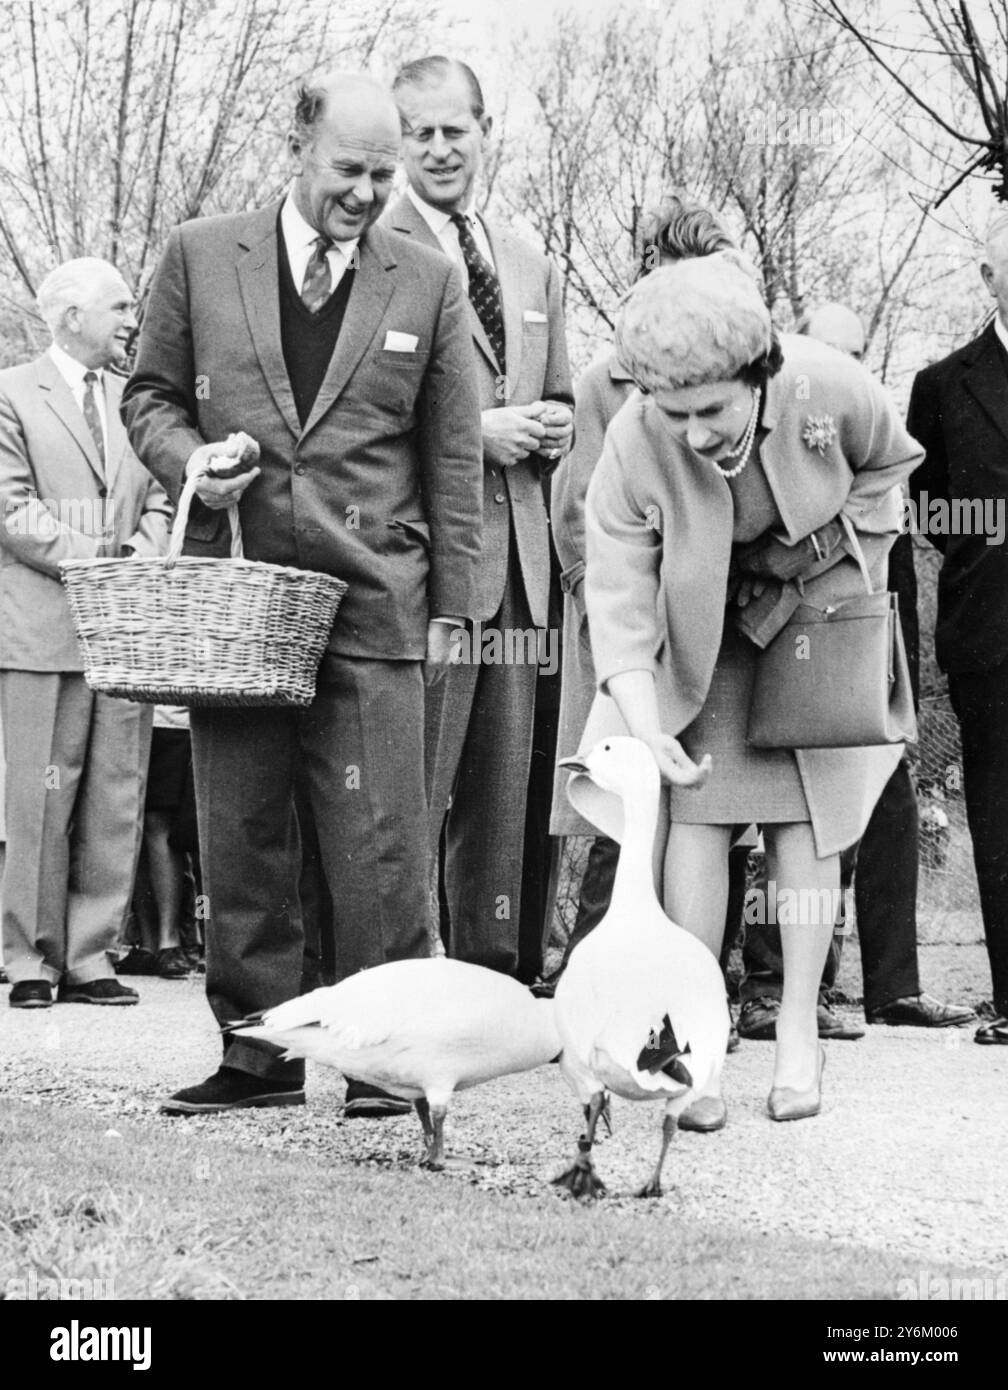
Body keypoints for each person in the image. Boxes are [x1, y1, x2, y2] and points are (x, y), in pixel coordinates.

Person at [123, 72, 484, 1114]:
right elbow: (148, 395)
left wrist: (456, 607)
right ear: (297, 144)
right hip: (238, 598)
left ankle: (385, 1058)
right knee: (240, 829)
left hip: (378, 597)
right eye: (351, 169)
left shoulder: (427, 279)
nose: (369, 192)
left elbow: (453, 452)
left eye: (385, 173)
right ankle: (256, 1055)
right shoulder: (199, 252)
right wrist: (190, 458)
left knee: (381, 836)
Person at [568, 255, 922, 1127]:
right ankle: (699, 1041)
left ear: (760, 375)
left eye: (713, 411)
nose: (692, 433)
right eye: (673, 413)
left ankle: (797, 1028)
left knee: (807, 817)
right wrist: (645, 727)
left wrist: (832, 546)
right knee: (700, 811)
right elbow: (616, 594)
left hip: (816, 616)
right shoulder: (634, 441)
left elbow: (890, 466)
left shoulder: (830, 383)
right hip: (709, 633)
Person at [738, 303, 974, 1038]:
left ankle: (893, 989)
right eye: (830, 353)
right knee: (790, 815)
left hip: (867, 655)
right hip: (785, 648)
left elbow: (894, 572)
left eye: (857, 356)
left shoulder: (875, 453)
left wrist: (895, 691)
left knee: (890, 807)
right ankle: (772, 991)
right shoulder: (775, 442)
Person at [385, 55, 574, 976]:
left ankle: (492, 976)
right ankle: (399, 971)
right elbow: (368, 420)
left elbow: (567, 396)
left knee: (504, 793)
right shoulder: (377, 254)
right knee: (412, 788)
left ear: (484, 131)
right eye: (417, 132)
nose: (438, 147)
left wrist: (554, 425)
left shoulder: (530, 260)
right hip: (432, 571)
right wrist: (476, 433)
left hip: (524, 575)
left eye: (454, 129)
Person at [550, 196, 742, 1003]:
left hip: (718, 637)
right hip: (631, 636)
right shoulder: (609, 382)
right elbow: (578, 515)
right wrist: (614, 629)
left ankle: (705, 991)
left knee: (712, 811)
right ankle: (604, 991)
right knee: (626, 817)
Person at [0, 257, 172, 1009]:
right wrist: (101, 560)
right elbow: (11, 509)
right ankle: (28, 959)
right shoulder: (10, 393)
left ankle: (90, 954)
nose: (131, 320)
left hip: (122, 632)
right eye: (120, 307)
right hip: (41, 632)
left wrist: (147, 550)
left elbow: (167, 492)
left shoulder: (137, 401)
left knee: (115, 793)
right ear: (69, 316)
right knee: (40, 796)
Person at [906, 212, 1008, 1047]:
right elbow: (935, 506)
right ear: (987, 279)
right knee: (1000, 811)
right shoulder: (942, 386)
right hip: (993, 627)